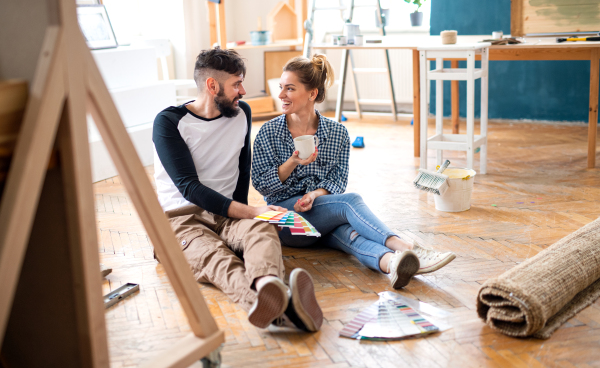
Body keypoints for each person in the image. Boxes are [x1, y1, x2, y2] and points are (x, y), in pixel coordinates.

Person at [152, 47, 322, 332]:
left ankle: (269, 286)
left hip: (226, 213)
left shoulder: (241, 112)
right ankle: (284, 308)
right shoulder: (169, 123)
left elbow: (242, 171)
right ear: (212, 85)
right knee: (218, 258)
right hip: (181, 219)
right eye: (236, 84)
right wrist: (253, 210)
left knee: (262, 229)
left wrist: (249, 219)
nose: (243, 91)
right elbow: (189, 187)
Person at [251, 54, 456, 289]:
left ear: (312, 93)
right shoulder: (268, 132)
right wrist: (293, 162)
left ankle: (392, 263)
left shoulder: (338, 133)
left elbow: (338, 181)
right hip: (285, 220)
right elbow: (261, 184)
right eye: (281, 88)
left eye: (289, 88)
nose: (281, 95)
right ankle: (409, 248)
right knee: (350, 203)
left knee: (348, 234)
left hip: (321, 216)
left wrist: (315, 196)